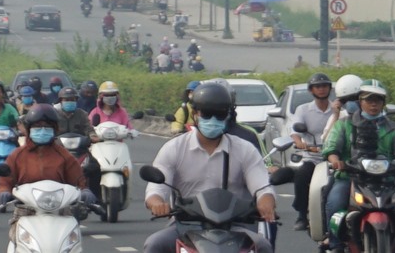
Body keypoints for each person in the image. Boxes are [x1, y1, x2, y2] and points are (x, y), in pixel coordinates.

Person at [144, 83, 277, 253]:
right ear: (195, 114)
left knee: (263, 246)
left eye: (219, 114)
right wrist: (156, 203)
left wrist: (266, 201)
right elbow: (156, 188)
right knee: (154, 244)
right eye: (207, 113)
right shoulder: (174, 148)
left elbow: (262, 186)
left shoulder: (245, 150)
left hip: (235, 226)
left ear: (228, 115)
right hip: (185, 225)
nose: (213, 119)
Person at [323, 80, 395, 242]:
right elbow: (330, 146)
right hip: (350, 177)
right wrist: (335, 160)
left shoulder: (393, 128)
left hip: (385, 179)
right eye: (369, 100)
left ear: (383, 103)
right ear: (361, 102)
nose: (374, 105)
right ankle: (335, 244)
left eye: (378, 100)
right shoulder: (344, 125)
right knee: (335, 202)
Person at [0, 105, 96, 207]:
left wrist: (84, 190)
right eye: (37, 127)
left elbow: (78, 179)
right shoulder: (17, 155)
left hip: (60, 211)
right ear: (29, 129)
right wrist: (4, 190)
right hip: (26, 210)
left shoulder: (64, 155)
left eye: (47, 127)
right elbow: (6, 179)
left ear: (55, 130)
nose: (42, 130)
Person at [288, 73, 337, 231]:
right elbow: (295, 129)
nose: (322, 89)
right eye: (318, 86)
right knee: (301, 177)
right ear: (311, 90)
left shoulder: (337, 110)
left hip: (335, 158)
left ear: (330, 89)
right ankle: (302, 214)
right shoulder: (303, 109)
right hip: (313, 158)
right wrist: (299, 142)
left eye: (325, 86)